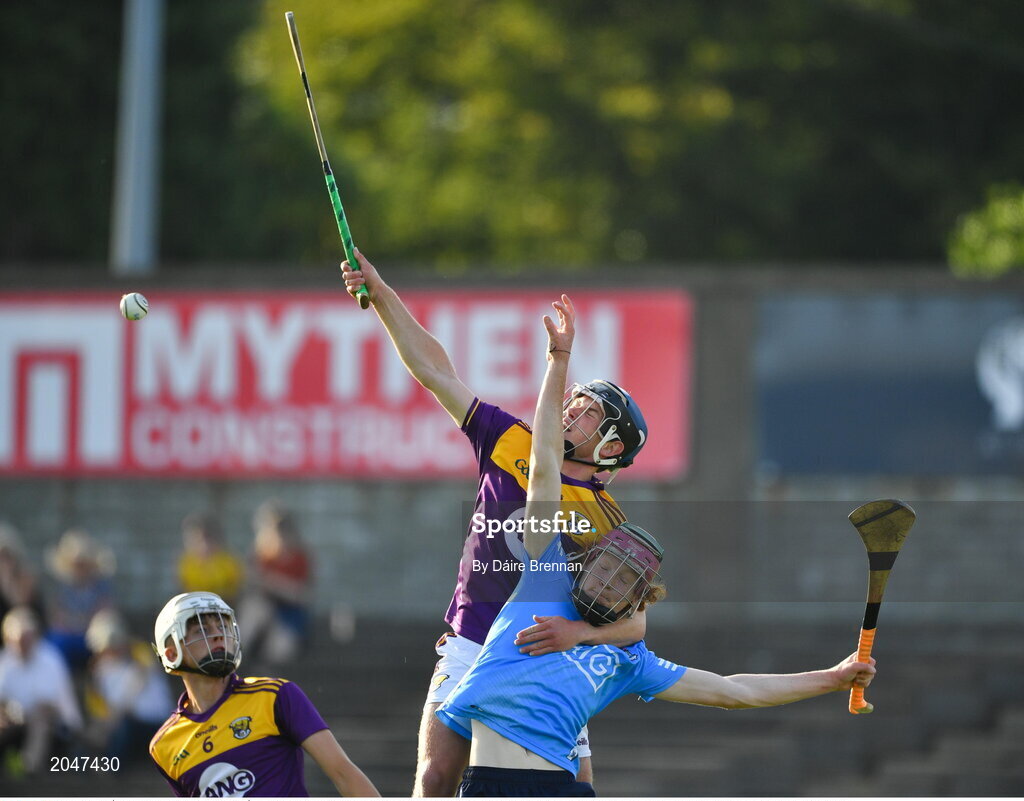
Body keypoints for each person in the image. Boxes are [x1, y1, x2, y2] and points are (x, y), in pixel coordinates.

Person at [436, 295, 878, 797]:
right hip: (494, 785)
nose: (609, 577)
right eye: (605, 565)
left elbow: (734, 691)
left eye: (625, 580)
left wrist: (833, 677)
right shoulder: (544, 573)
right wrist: (558, 363)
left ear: (638, 600)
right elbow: (542, 465)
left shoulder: (630, 660)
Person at [343, 251, 650, 795]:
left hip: (545, 659)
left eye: (588, 413)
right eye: (574, 401)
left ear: (612, 447)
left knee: (578, 786)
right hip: (471, 638)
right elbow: (436, 371)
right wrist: (381, 294)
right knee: (436, 776)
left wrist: (578, 633)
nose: (570, 410)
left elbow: (636, 626)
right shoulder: (513, 441)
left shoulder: (611, 524)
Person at [148, 591, 378, 797]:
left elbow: (344, 774)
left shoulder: (274, 696)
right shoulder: (164, 746)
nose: (219, 635)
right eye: (203, 630)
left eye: (223, 627)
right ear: (171, 654)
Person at [82, 609, 174, 765]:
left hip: (156, 721)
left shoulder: (138, 653)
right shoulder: (100, 670)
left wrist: (115, 715)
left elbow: (141, 678)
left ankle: (109, 766)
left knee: (122, 724)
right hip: (124, 722)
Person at [0, 606, 83, 778]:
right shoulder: (4, 662)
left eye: (27, 637)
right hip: (15, 727)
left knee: (40, 715)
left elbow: (55, 707)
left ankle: (30, 768)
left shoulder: (51, 660)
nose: (23, 644)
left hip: (57, 730)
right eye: (18, 639)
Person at [236, 501, 313, 667]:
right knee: (255, 609)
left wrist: (272, 583)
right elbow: (250, 587)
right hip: (263, 612)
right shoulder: (259, 556)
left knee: (280, 649)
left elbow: (301, 595)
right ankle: (233, 660)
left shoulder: (299, 557)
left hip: (288, 616)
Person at [44, 528, 116, 671]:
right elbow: (57, 617)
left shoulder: (101, 585)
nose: (80, 567)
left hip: (93, 636)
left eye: (83, 563)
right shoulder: (62, 587)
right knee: (55, 641)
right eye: (76, 563)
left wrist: (85, 624)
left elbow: (105, 613)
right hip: (69, 637)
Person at [177, 513, 244, 605]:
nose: (199, 546)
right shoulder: (186, 562)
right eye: (192, 540)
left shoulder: (228, 561)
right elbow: (184, 589)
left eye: (201, 540)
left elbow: (235, 591)